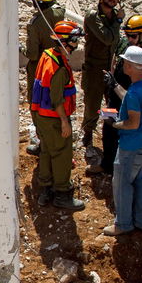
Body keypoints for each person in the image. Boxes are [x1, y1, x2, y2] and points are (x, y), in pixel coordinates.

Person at [30, 20, 86, 211]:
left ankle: (45, 189)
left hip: (41, 116)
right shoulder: (60, 68)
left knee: (46, 151)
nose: (76, 45)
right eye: (74, 41)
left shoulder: (47, 55)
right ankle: (62, 193)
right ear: (65, 42)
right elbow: (57, 99)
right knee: (62, 154)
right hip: (54, 118)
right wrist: (64, 122)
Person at [97, 15, 142, 177]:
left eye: (133, 36)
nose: (129, 39)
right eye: (128, 35)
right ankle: (107, 164)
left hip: (136, 100)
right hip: (115, 93)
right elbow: (115, 59)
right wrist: (111, 78)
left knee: (141, 134)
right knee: (107, 127)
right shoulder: (125, 43)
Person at [103, 44, 142, 236]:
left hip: (130, 146)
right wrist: (114, 85)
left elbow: (132, 123)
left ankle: (123, 224)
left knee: (122, 184)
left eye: (125, 62)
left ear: (132, 66)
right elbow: (130, 99)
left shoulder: (134, 93)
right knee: (139, 181)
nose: (123, 64)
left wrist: (113, 123)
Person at [24, 0, 67, 156]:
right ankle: (60, 137)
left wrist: (22, 49)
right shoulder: (60, 13)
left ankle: (44, 145)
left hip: (40, 69)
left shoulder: (35, 24)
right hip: (58, 64)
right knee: (58, 102)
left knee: (38, 105)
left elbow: (33, 54)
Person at [82, 0, 125, 146]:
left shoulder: (113, 16)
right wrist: (118, 22)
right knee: (92, 104)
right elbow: (107, 38)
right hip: (94, 69)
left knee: (110, 103)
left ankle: (110, 131)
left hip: (109, 67)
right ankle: (88, 134)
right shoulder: (93, 15)